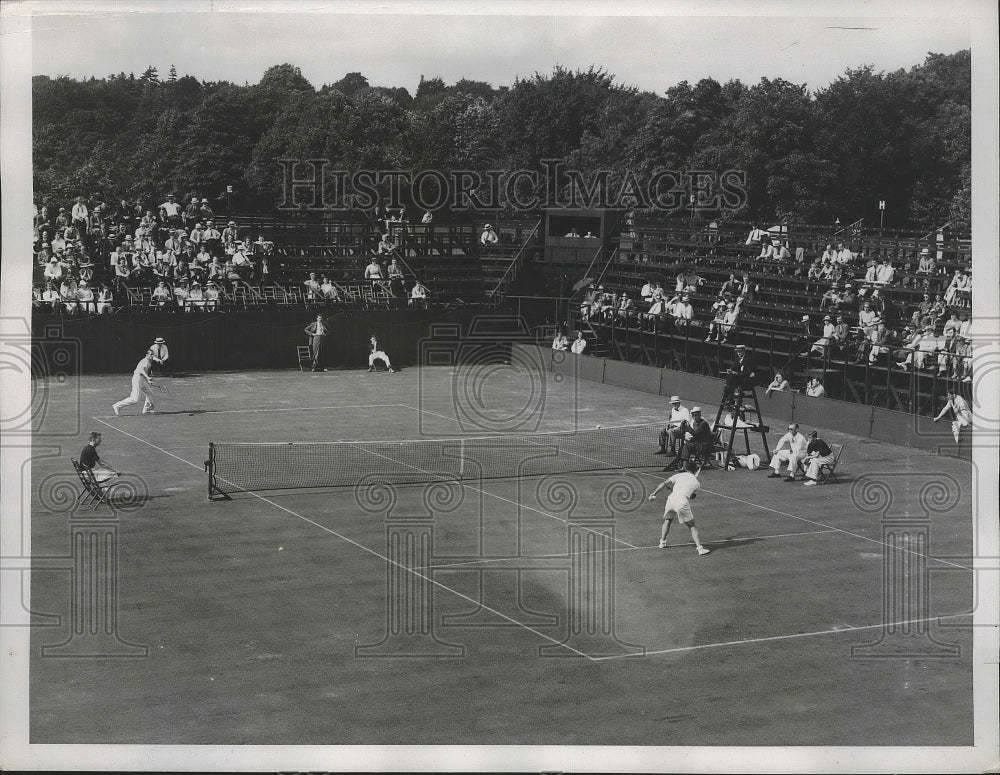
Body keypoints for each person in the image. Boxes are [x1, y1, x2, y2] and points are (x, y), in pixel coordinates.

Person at [647, 460, 710, 555]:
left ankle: (662, 543)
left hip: (671, 499)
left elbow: (664, 483)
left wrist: (653, 493)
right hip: (682, 502)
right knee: (692, 526)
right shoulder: (697, 483)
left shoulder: (678, 475)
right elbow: (692, 497)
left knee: (667, 520)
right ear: (695, 470)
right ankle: (700, 548)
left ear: (686, 468)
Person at [113, 350, 157, 415]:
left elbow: (145, 371)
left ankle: (147, 409)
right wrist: (148, 378)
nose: (152, 356)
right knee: (135, 399)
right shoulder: (145, 361)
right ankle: (117, 405)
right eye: (151, 354)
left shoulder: (149, 361)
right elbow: (141, 370)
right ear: (147, 355)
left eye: (153, 354)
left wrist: (148, 381)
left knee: (150, 393)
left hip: (141, 379)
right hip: (137, 379)